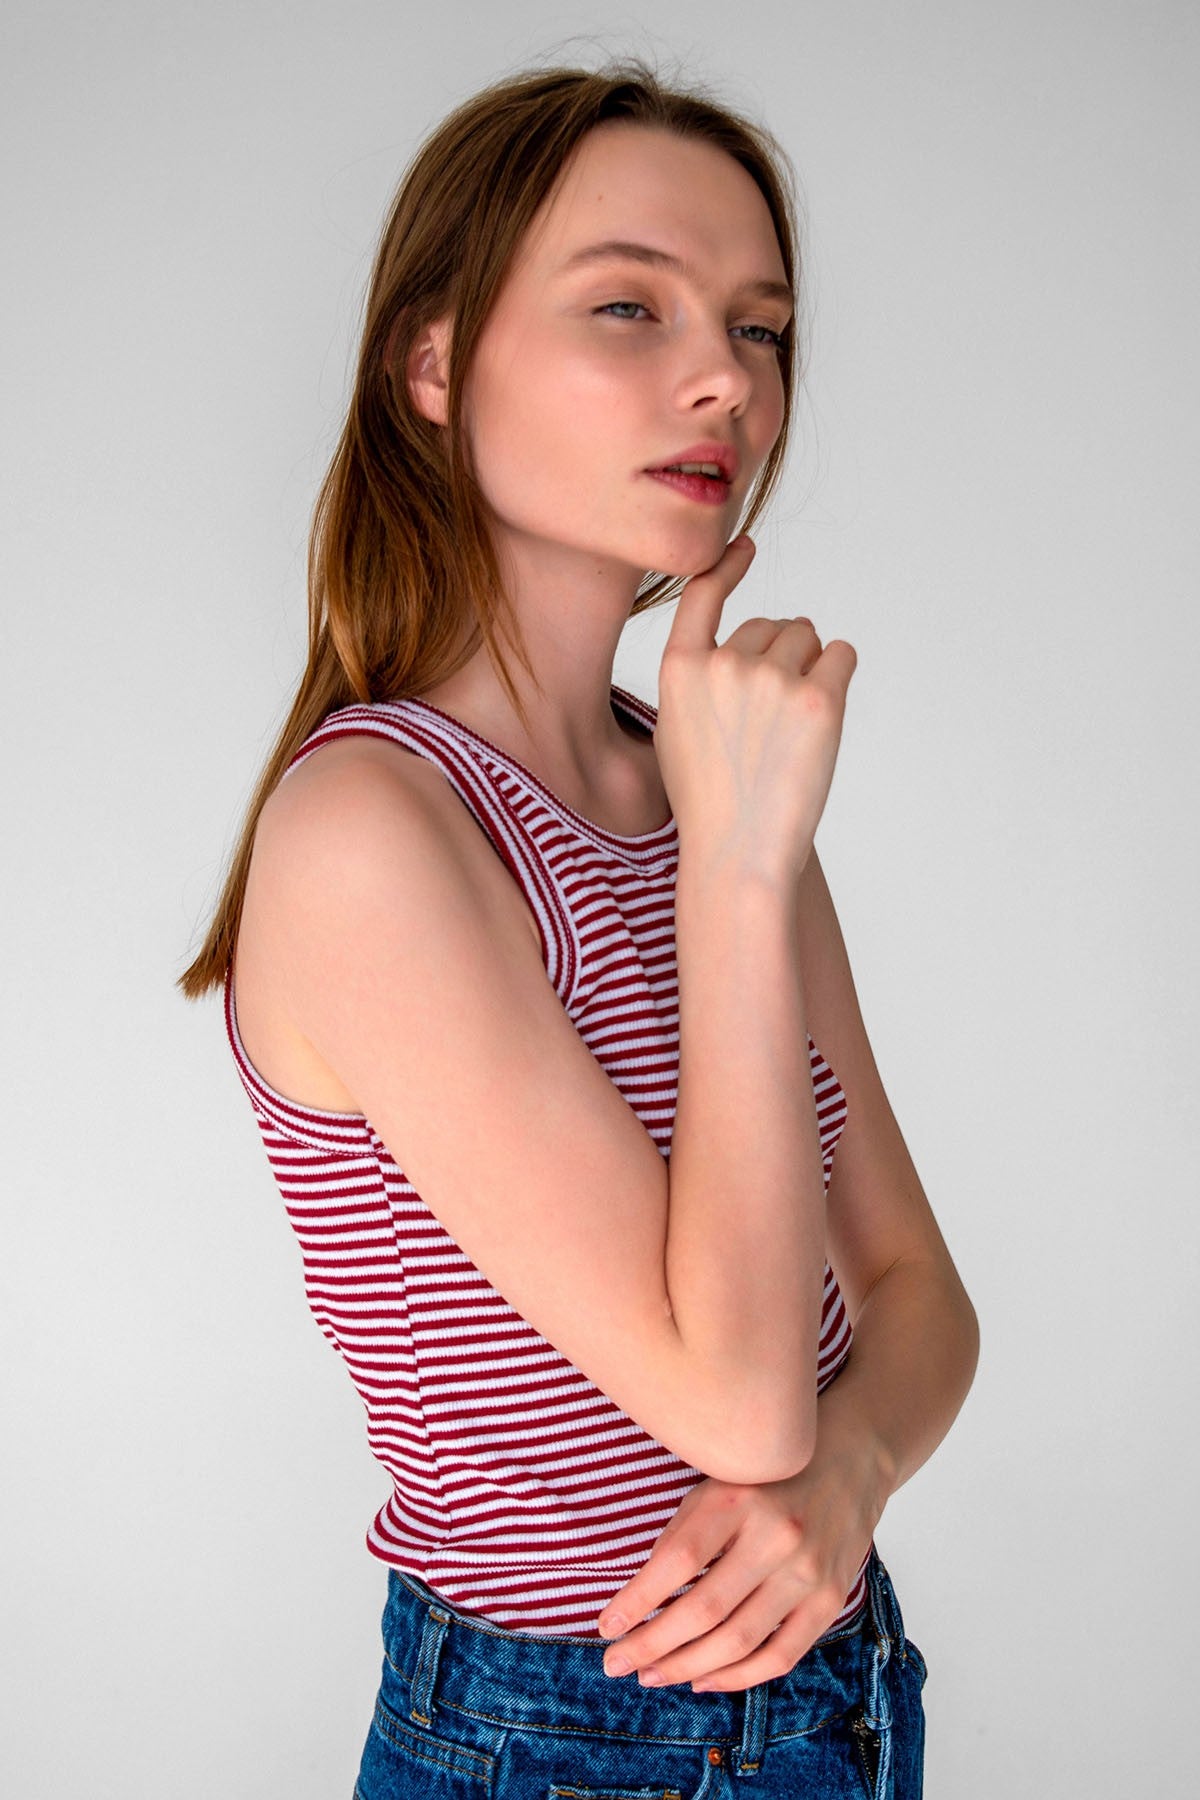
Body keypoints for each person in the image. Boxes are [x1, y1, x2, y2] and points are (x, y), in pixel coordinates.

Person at [180, 60, 978, 1798]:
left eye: (761, 328)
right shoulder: (372, 829)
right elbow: (738, 1398)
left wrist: (847, 1482)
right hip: (565, 1742)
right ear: (435, 363)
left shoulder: (700, 783)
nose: (725, 378)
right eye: (631, 304)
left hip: (844, 1695)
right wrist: (745, 877)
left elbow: (923, 1300)